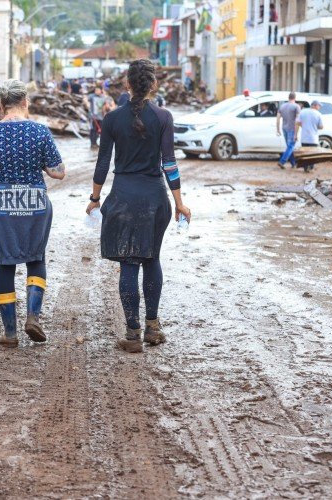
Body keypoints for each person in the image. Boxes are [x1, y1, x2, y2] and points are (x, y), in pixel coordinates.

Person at [86, 59, 191, 353]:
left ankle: (133, 334)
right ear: (153, 85)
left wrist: (95, 199)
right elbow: (169, 163)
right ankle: (153, 327)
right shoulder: (164, 117)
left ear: (127, 85)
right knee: (152, 258)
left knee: (128, 263)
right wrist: (179, 202)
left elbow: (103, 162)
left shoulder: (112, 119)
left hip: (122, 197)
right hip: (156, 199)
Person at [0, 80, 66, 346]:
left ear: (1, 106)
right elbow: (58, 171)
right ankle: (33, 316)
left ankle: (10, 332)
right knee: (36, 258)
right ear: (26, 102)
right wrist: (41, 166)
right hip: (34, 200)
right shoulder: (39, 131)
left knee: (4, 262)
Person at [295, 100, 324, 173]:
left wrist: (297, 133)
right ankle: (310, 167)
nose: (319, 107)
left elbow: (297, 123)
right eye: (319, 106)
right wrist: (314, 126)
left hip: (304, 138)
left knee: (305, 153)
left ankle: (305, 167)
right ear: (314, 105)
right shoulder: (318, 114)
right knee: (312, 154)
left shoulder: (303, 112)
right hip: (313, 139)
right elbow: (321, 126)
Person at [276, 91, 301, 169]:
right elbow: (297, 121)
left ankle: (293, 163)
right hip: (292, 129)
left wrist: (278, 129)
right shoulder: (296, 107)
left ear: (288, 97)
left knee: (289, 146)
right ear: (295, 98)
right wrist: (296, 134)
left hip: (284, 128)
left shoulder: (282, 106)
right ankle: (282, 161)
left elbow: (277, 119)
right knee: (291, 146)